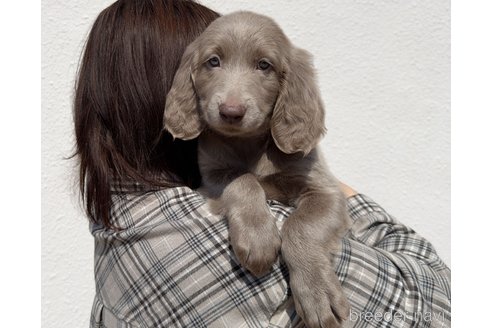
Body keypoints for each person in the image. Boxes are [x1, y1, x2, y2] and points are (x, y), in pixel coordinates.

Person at [73, 1, 451, 327]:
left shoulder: (115, 219)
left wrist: (310, 183)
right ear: (171, 83)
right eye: (213, 62)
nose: (230, 99)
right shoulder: (202, 238)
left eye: (262, 66)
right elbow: (440, 302)